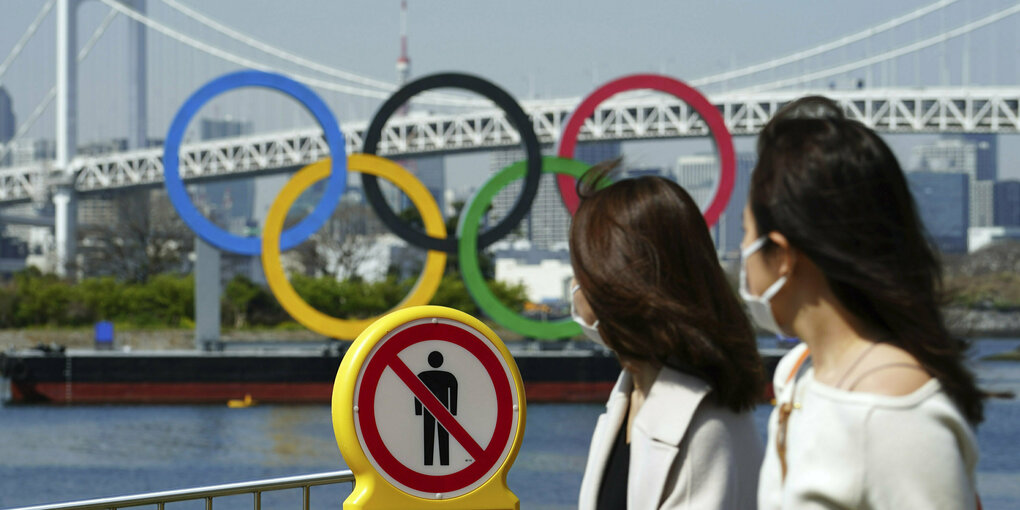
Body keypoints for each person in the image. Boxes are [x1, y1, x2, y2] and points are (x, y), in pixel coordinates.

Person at [747, 96, 984, 509]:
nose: (742, 255)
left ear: (782, 256)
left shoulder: (892, 414)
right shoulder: (799, 375)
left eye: (748, 236)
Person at [571, 160, 764, 510]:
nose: (574, 288)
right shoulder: (630, 395)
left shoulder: (702, 426)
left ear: (614, 282)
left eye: (580, 270)